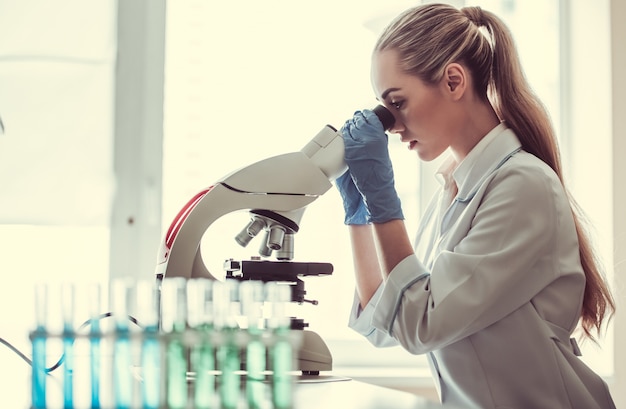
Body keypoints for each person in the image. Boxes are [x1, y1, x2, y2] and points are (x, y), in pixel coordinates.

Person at [335, 3, 616, 408]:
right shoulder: (453, 189)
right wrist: (359, 215)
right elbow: (389, 321)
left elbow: (422, 325)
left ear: (453, 81)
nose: (392, 125)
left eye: (397, 103)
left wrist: (383, 203)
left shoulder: (522, 187)